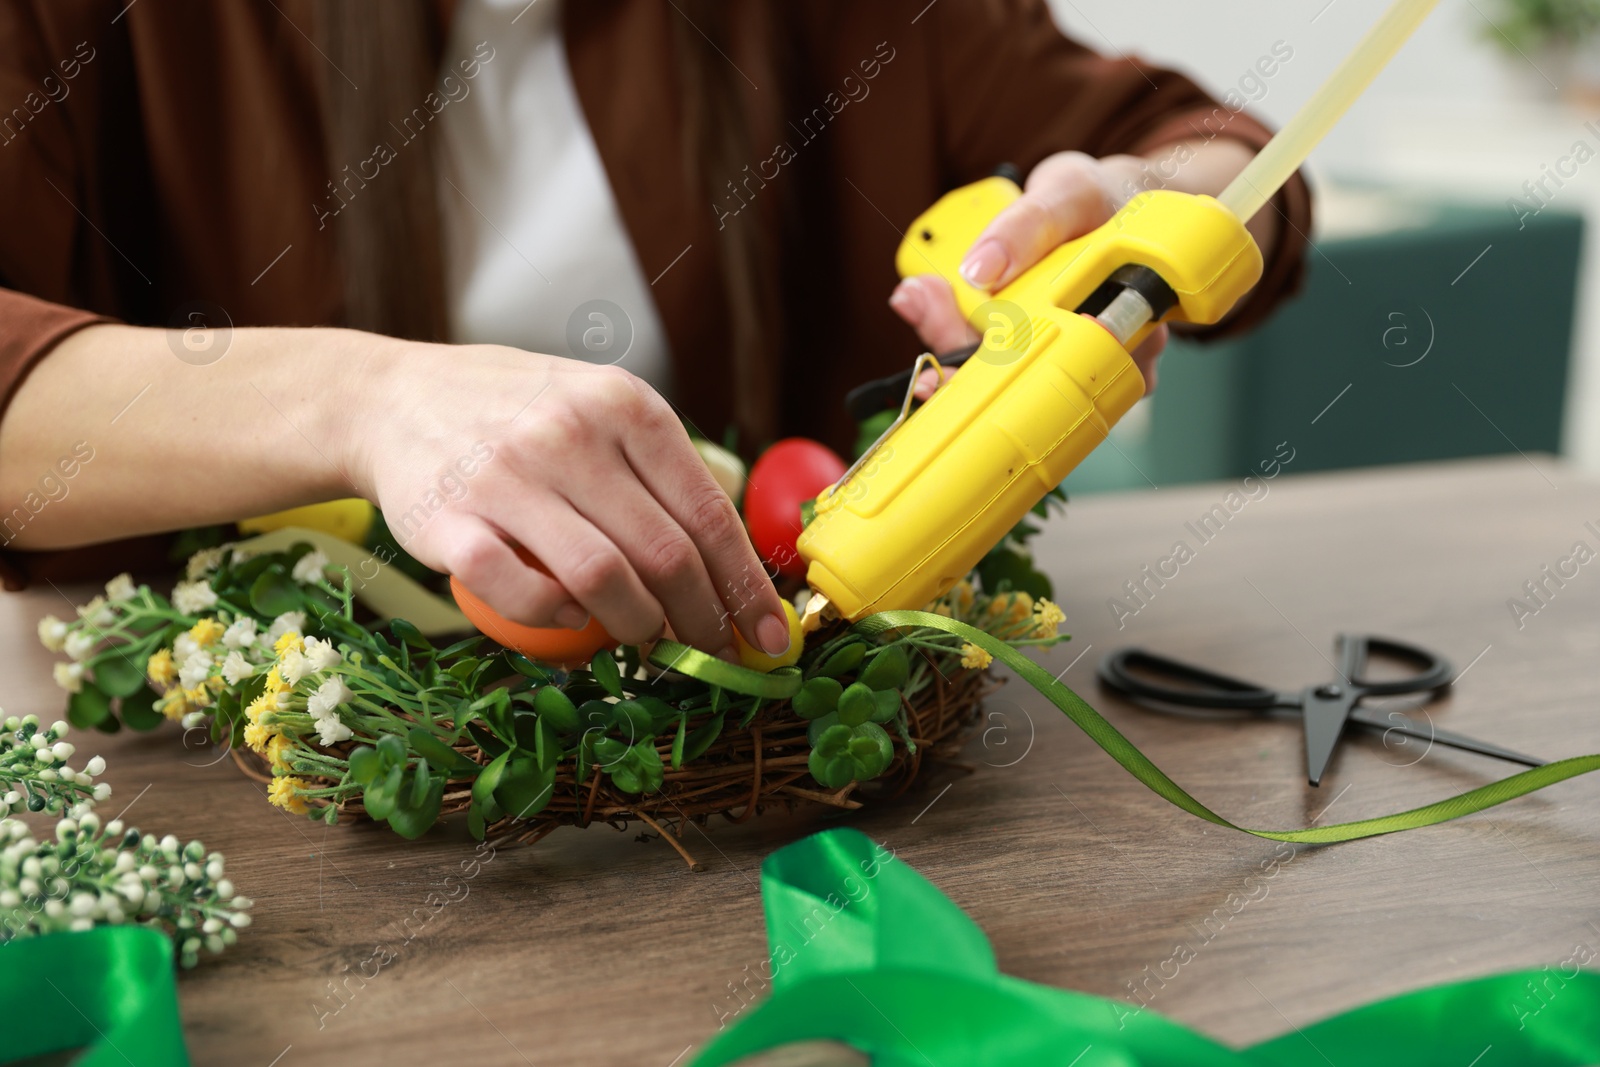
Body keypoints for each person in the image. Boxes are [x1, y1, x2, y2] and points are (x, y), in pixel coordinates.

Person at [0, 0, 1310, 662]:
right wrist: (365, 404)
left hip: (764, 814)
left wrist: (1146, 210)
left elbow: (1225, 159)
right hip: (231, 809)